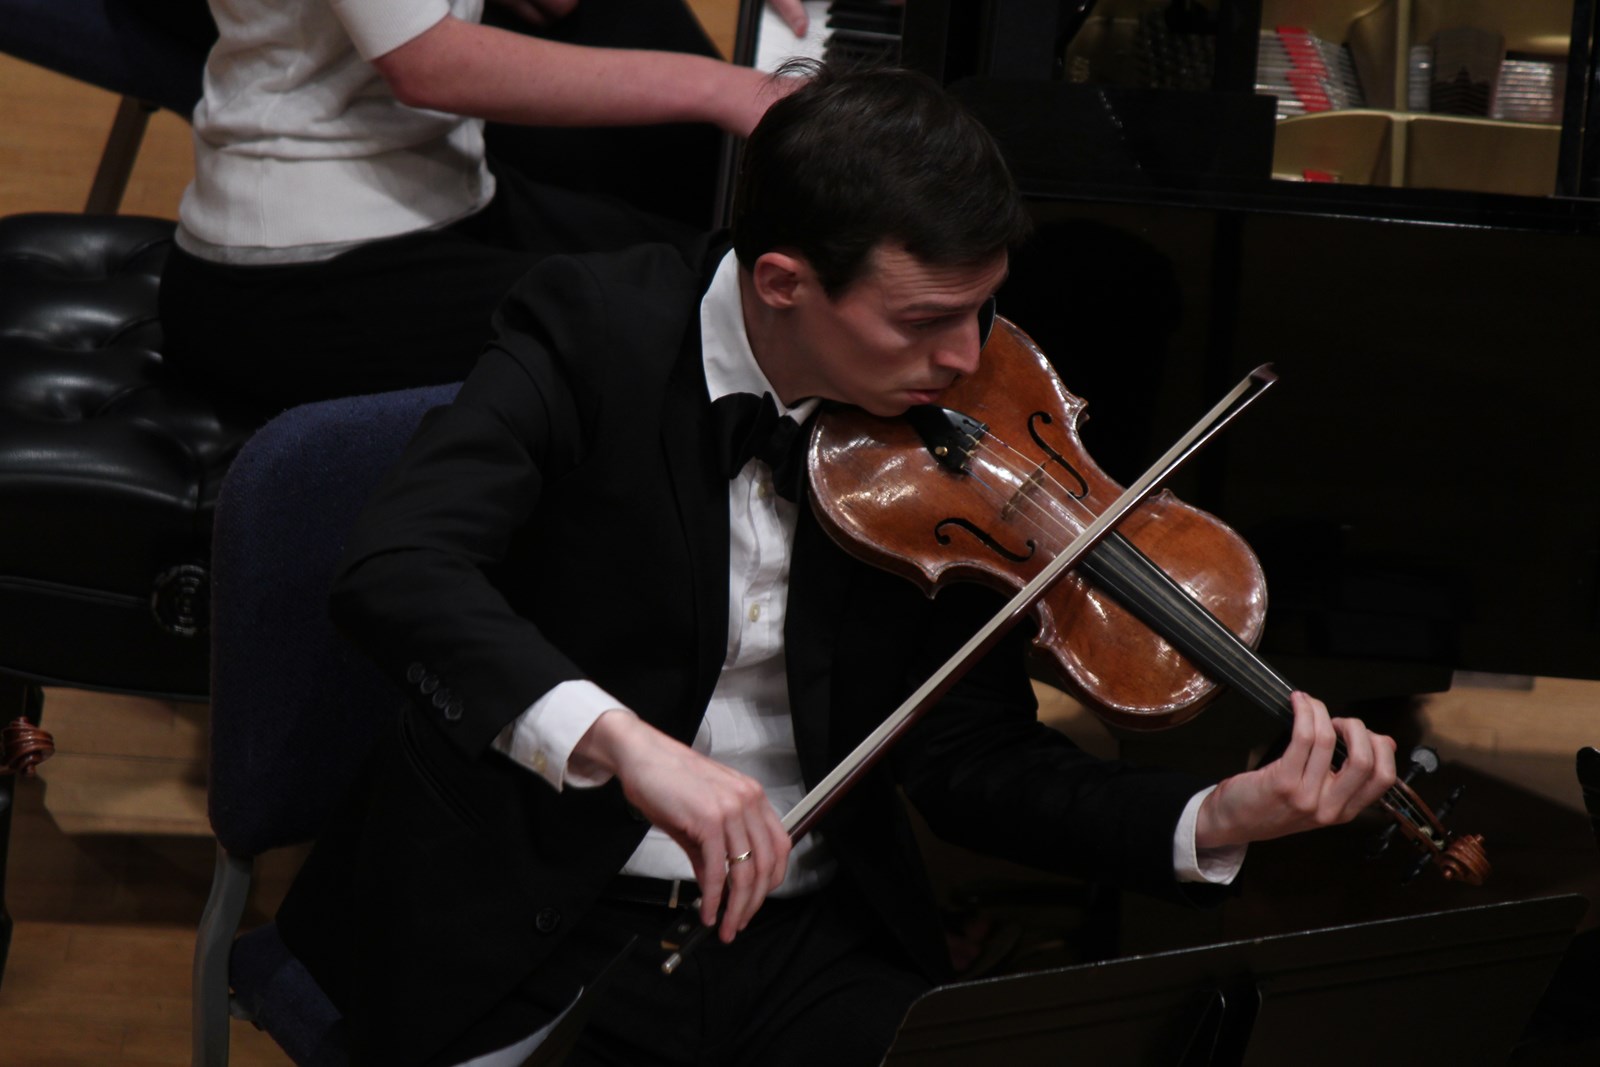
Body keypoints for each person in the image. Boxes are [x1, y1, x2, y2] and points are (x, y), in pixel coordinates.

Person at [275, 62, 1399, 1067]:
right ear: (781, 282)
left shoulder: (953, 446)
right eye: (921, 321)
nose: (965, 358)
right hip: (543, 923)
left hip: (808, 933)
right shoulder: (589, 331)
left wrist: (1214, 814)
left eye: (983, 308)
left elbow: (969, 758)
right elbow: (399, 566)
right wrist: (624, 743)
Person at [156, 0, 811, 422]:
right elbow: (425, 63)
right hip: (292, 267)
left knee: (722, 273)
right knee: (704, 330)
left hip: (438, 187)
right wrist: (724, 89)